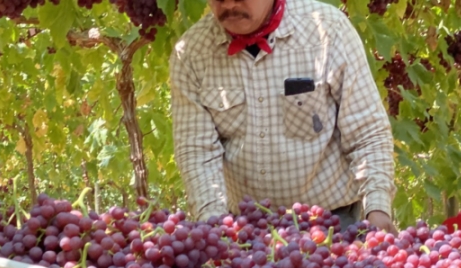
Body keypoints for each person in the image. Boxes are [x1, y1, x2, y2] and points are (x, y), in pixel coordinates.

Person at [169, 0, 397, 233]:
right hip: (247, 232)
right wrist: (215, 226)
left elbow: (367, 132)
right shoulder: (192, 54)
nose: (228, 4)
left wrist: (377, 208)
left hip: (332, 225)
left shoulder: (328, 30)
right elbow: (197, 151)